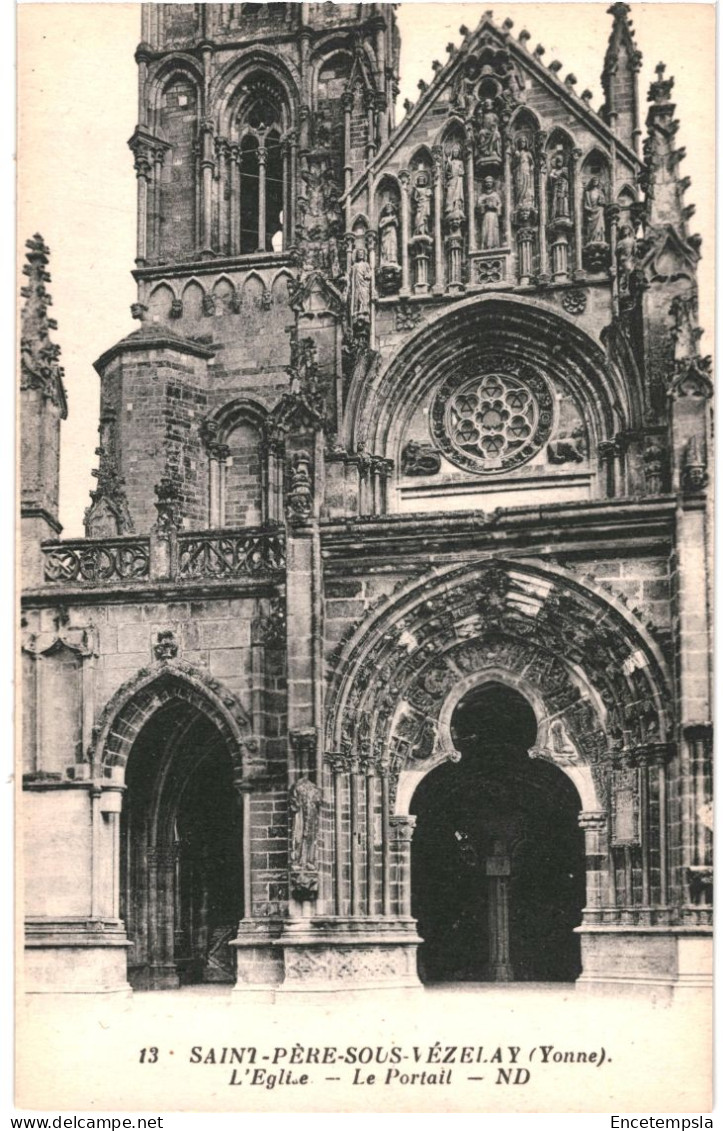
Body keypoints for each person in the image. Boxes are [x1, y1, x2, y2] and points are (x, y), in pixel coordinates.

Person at [478, 176, 502, 248]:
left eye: (490, 182)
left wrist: (496, 207)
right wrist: (485, 205)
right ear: (485, 184)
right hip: (486, 215)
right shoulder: (483, 195)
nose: (488, 184)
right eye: (487, 182)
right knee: (486, 230)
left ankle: (494, 245)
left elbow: (500, 204)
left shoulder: (495, 195)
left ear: (492, 184)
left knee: (494, 229)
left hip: (493, 215)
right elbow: (479, 204)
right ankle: (485, 245)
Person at [444, 142, 465, 219]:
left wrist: (460, 171)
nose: (455, 153)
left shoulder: (460, 162)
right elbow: (448, 171)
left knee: (457, 194)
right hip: (452, 180)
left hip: (458, 180)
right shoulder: (451, 162)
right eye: (454, 152)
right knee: (450, 193)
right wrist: (449, 162)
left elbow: (463, 171)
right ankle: (450, 207)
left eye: (457, 152)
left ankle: (457, 207)